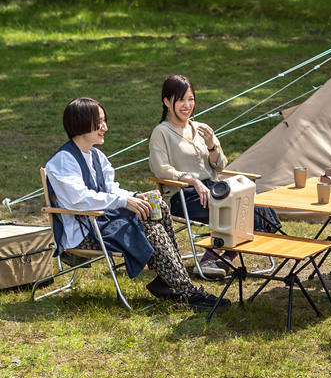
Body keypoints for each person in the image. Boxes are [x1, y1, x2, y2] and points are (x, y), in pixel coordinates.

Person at [45, 97, 227, 311]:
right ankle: (187, 291)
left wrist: (136, 196)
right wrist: (124, 201)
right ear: (82, 123)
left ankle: (167, 281)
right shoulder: (63, 161)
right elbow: (79, 199)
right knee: (150, 228)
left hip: (102, 222)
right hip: (84, 232)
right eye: (100, 122)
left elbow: (111, 189)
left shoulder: (96, 156)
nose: (105, 127)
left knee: (157, 209)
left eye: (104, 121)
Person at [148, 75, 281, 279]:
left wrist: (211, 145)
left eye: (190, 99)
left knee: (264, 214)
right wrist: (194, 181)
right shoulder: (162, 132)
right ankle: (211, 260)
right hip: (183, 196)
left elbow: (220, 165)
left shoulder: (201, 129)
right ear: (167, 102)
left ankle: (218, 258)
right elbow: (161, 170)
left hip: (213, 191)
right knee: (237, 214)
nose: (187, 105)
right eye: (180, 99)